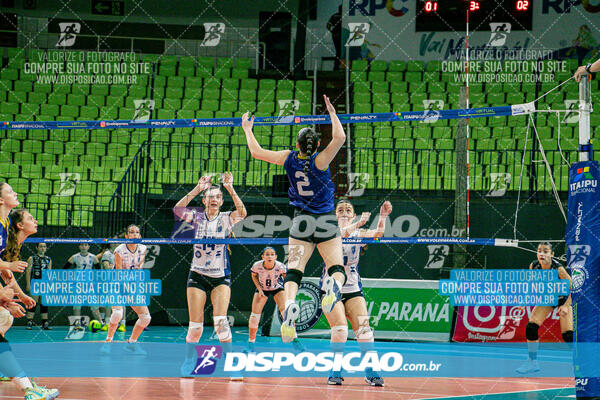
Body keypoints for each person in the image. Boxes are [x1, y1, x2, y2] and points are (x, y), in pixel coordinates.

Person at [241, 95, 347, 343]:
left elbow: (256, 153)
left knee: (294, 271)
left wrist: (248, 129)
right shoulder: (320, 160)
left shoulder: (288, 157)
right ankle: (334, 286)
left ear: (297, 144)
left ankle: (289, 305)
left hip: (301, 221)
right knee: (336, 268)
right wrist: (331, 112)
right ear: (317, 144)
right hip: (325, 219)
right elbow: (340, 138)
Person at [175, 173, 246, 379]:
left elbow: (243, 212)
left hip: (220, 275)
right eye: (210, 196)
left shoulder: (226, 218)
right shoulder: (196, 217)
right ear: (204, 201)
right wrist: (198, 188)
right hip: (197, 274)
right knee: (196, 327)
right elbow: (178, 209)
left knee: (221, 322)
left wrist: (230, 188)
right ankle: (189, 362)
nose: (214, 199)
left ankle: (232, 365)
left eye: (217, 196)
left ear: (221, 201)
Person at [321, 200, 390, 386]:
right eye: (340, 209)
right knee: (341, 330)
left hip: (352, 288)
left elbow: (378, 234)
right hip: (331, 289)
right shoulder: (327, 230)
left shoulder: (358, 233)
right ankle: (334, 371)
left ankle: (371, 371)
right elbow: (340, 235)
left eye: (348, 209)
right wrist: (358, 223)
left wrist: (382, 216)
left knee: (364, 330)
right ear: (335, 214)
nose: (344, 211)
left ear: (352, 214)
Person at [0, 208, 59, 399]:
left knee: (5, 319)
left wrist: (20, 296)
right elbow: (5, 271)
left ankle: (17, 378)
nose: (35, 221)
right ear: (19, 225)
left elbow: (6, 275)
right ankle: (26, 387)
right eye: (30, 218)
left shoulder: (16, 245)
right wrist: (3, 296)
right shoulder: (6, 240)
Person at [516, 242, 572, 374]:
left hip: (565, 299)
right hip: (549, 298)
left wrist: (565, 306)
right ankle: (532, 362)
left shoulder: (558, 270)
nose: (542, 253)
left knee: (568, 336)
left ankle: (583, 362)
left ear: (552, 255)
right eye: (539, 251)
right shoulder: (534, 266)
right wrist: (524, 302)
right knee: (531, 327)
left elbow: (574, 289)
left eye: (546, 251)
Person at [101, 225, 149, 355]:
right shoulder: (119, 250)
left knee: (146, 318)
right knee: (117, 314)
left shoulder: (143, 248)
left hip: (132, 285)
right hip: (117, 284)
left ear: (139, 236)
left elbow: (139, 269)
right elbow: (119, 272)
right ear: (126, 236)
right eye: (131, 232)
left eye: (137, 232)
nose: (134, 235)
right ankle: (108, 341)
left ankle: (132, 343)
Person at [246, 247, 287, 351]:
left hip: (277, 288)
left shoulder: (280, 266)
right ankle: (251, 342)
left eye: (272, 254)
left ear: (276, 257)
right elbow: (253, 276)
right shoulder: (257, 265)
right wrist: (259, 289)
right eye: (267, 254)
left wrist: (286, 291)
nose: (270, 256)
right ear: (262, 256)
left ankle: (295, 339)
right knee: (254, 316)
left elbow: (286, 278)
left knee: (286, 313)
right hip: (263, 288)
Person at [94, 241, 125, 332]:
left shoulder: (123, 253)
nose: (115, 244)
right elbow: (107, 267)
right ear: (110, 244)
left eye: (117, 242)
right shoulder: (107, 254)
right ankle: (107, 323)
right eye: (113, 242)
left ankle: (122, 324)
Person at [0, 183, 27, 274]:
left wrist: (3, 267)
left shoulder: (7, 222)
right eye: (10, 192)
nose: (16, 194)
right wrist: (8, 265)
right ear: (1, 200)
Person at [25, 242, 52, 330]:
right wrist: (28, 284)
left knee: (44, 303)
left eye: (44, 246)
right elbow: (28, 272)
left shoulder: (48, 259)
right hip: (35, 283)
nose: (43, 248)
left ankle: (45, 323)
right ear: (37, 247)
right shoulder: (32, 258)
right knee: (33, 302)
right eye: (41, 246)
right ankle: (29, 322)